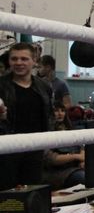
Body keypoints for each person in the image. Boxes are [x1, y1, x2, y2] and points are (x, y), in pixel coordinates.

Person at [0, 43, 53, 190]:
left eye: (24, 59)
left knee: (33, 193)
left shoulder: (44, 87)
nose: (18, 63)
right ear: (9, 61)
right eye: (14, 59)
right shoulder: (1, 86)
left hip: (35, 147)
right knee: (7, 196)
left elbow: (49, 116)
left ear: (34, 61)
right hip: (7, 148)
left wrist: (47, 141)